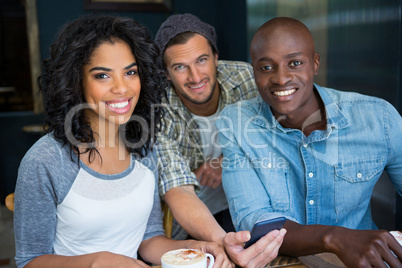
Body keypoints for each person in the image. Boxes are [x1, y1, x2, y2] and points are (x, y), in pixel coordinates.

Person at [13, 14, 231, 268]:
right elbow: (30, 261)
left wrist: (192, 246)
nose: (122, 88)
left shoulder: (144, 147)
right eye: (102, 76)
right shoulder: (46, 160)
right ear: (76, 82)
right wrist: (97, 261)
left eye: (130, 72)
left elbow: (148, 241)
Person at [216, 16, 402, 268]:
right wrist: (334, 238)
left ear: (314, 64)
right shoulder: (236, 123)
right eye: (266, 67)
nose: (281, 78)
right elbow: (255, 222)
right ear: (254, 72)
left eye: (294, 63)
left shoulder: (378, 118)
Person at [154, 13, 285, 267]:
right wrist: (222, 240)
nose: (195, 77)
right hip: (193, 219)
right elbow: (176, 186)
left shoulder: (244, 78)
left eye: (201, 60)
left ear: (216, 58)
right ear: (167, 74)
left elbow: (277, 133)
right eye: (180, 66)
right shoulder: (158, 108)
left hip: (252, 206)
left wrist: (225, 160)